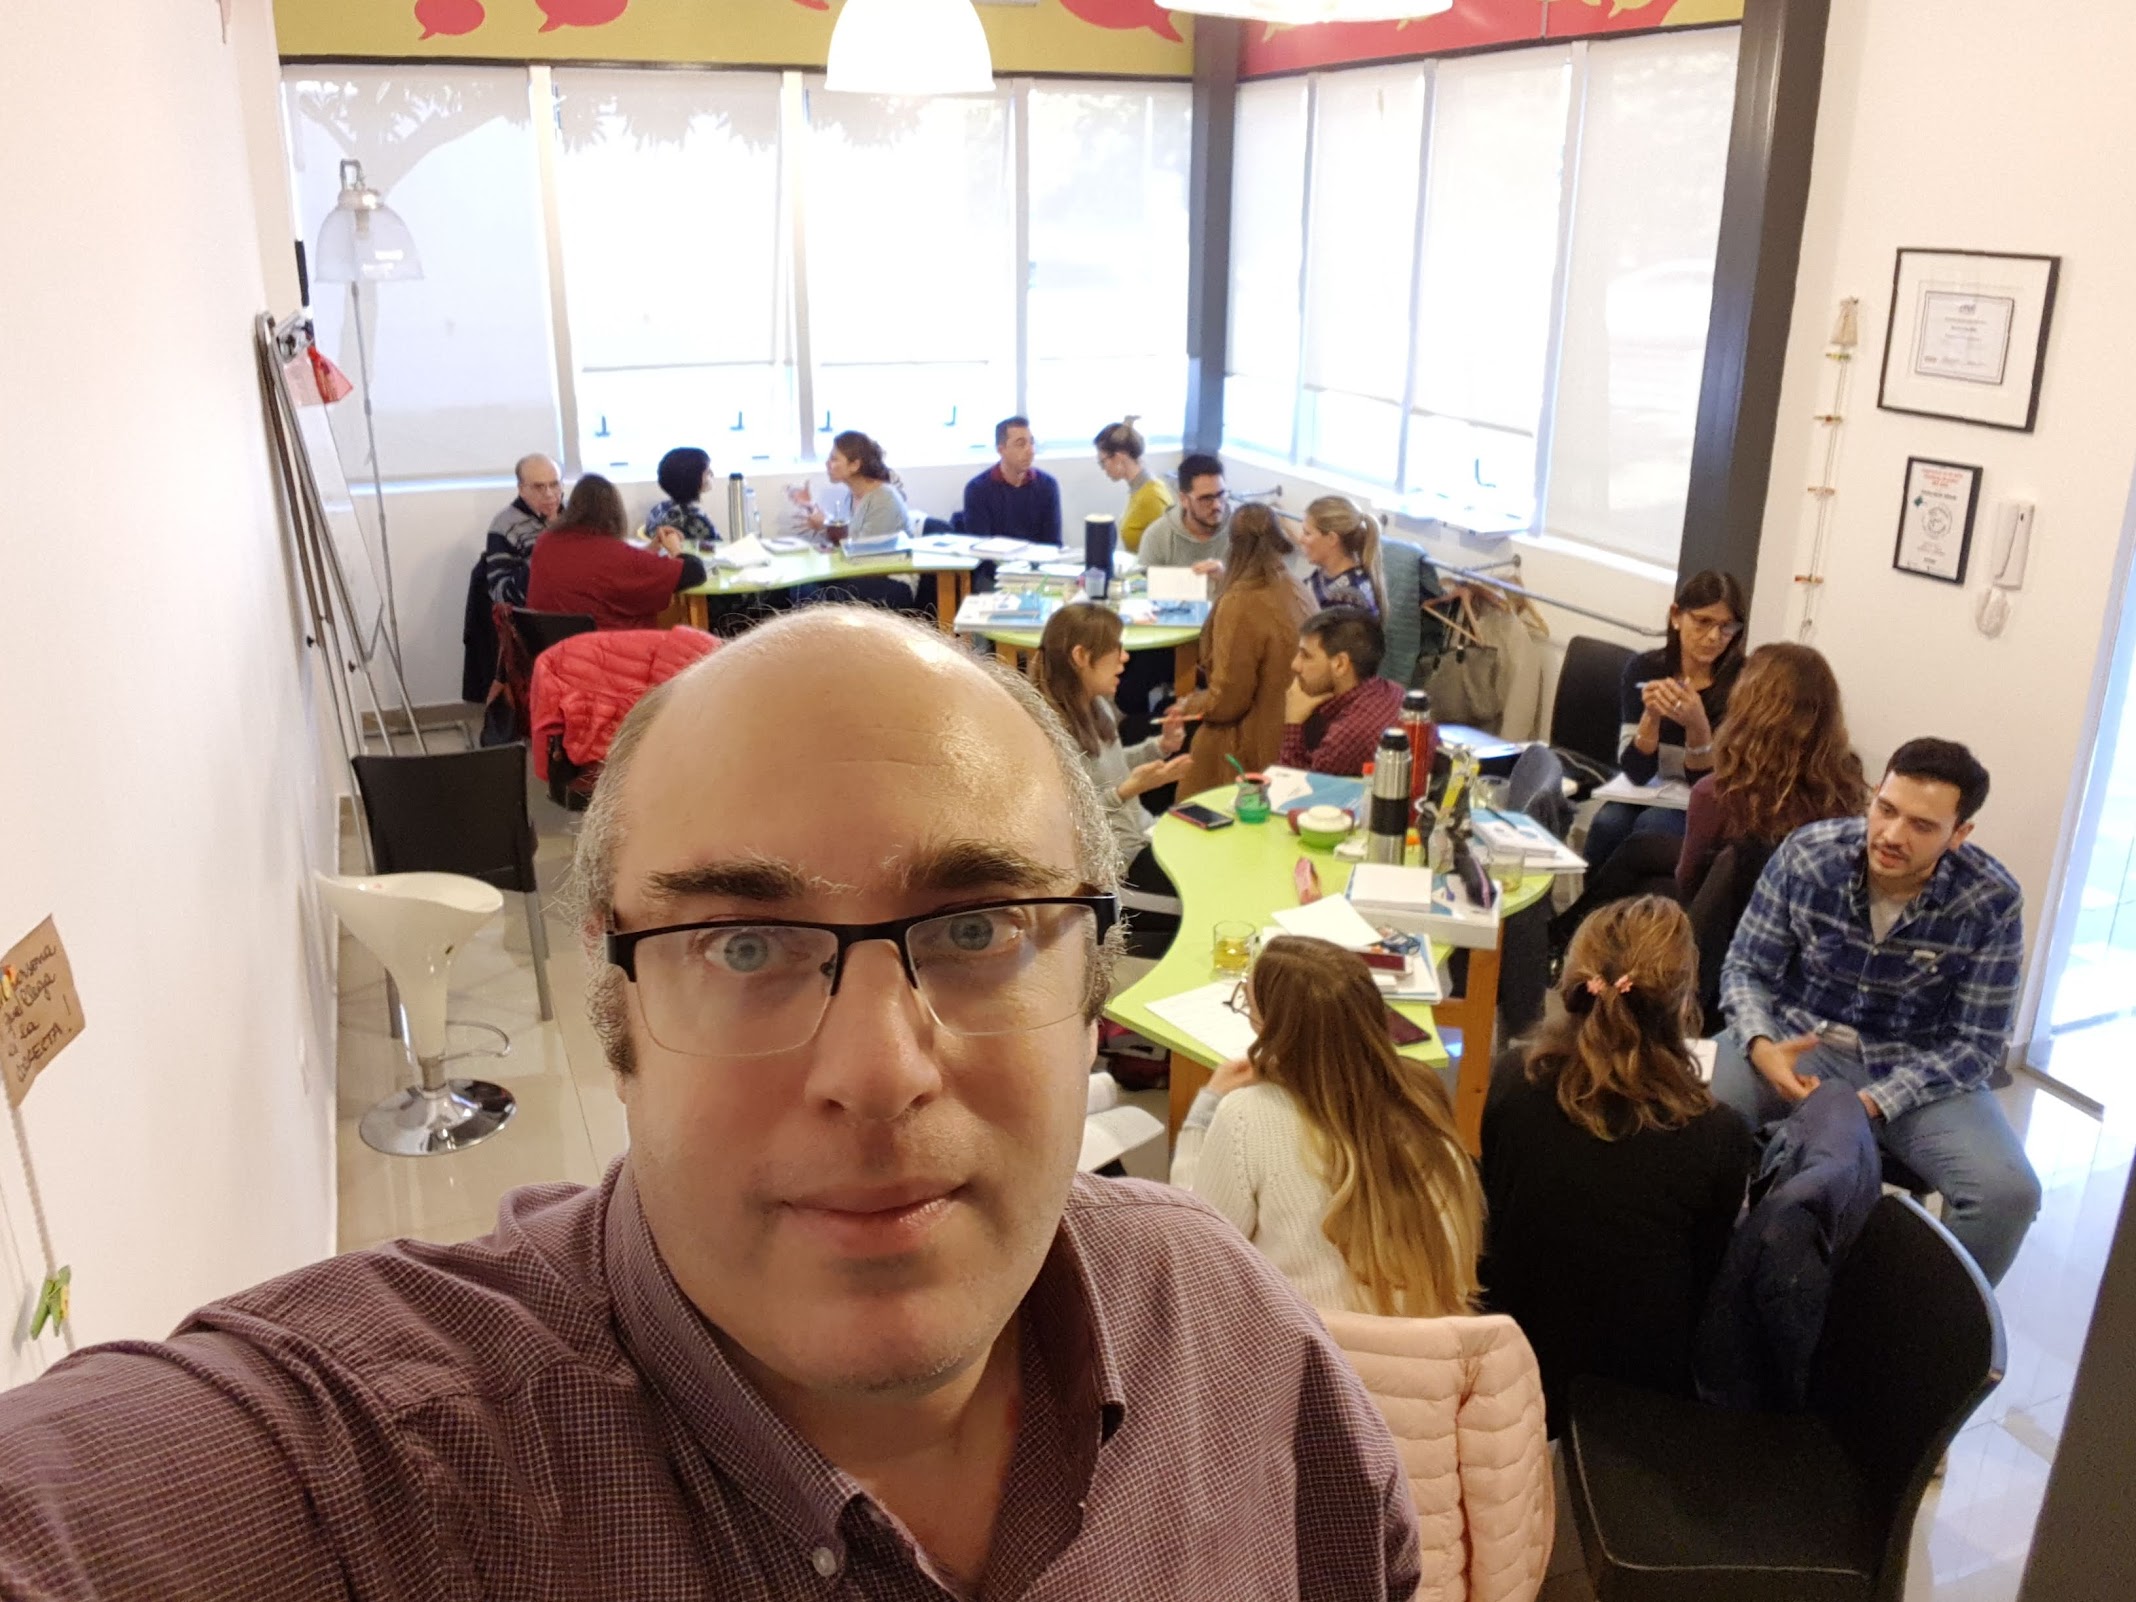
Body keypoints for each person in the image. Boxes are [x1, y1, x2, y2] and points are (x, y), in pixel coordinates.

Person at [0, 608, 1435, 1596]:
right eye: (743, 944)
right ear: (615, 1003)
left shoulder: (1230, 1337)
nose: (878, 1070)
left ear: (1086, 983)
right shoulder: (384, 1479)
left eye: (978, 925)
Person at [1715, 738, 2042, 1284]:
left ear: (1959, 834)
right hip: (1795, 1040)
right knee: (1685, 1115)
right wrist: (1760, 1044)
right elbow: (1747, 968)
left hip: (1915, 1068)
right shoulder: (1808, 853)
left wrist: (1874, 1102)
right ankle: (1708, 1281)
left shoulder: (1990, 900)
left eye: (1922, 825)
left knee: (2008, 1195)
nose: (1891, 835)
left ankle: (1917, 1323)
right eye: (1885, 809)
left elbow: (1978, 1043)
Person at [1480, 897, 1754, 1435]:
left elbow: (1500, 1209)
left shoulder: (1514, 1079)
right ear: (1683, 1002)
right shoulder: (1719, 1133)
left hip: (1513, 1354)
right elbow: (1706, 1274)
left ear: (1572, 983)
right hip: (1638, 1389)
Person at [1172, 935, 1484, 1318]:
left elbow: (1197, 1248)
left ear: (1275, 1029)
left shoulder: (1246, 1114)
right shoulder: (1421, 1093)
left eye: (1249, 1007)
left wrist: (1203, 1112)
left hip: (1303, 1341)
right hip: (1427, 1340)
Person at [1583, 569, 1748, 869]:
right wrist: (1651, 718)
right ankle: (1597, 900)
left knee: (1653, 826)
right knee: (1608, 825)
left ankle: (1639, 902)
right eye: (1703, 621)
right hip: (1649, 789)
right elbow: (1635, 771)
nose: (1714, 637)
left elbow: (1708, 785)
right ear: (1676, 616)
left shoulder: (1743, 683)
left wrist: (1698, 727)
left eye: (1726, 627)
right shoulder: (1644, 669)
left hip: (1705, 801)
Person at [1678, 641, 1867, 902]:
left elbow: (1688, 885)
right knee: (1641, 848)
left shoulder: (1717, 793)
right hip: (1807, 911)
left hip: (1733, 915)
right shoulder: (1845, 784)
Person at [1032, 601, 1190, 893]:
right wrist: (1127, 791)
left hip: (1141, 834)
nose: (1125, 657)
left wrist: (1160, 747)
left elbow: (1109, 768)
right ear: (1081, 656)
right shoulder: (1050, 731)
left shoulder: (1098, 705)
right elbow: (1073, 821)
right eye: (1116, 648)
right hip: (1120, 863)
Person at [1175, 503, 1312, 798]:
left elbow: (1229, 699)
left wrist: (1190, 705)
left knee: (1189, 748)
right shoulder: (1296, 586)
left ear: (1232, 543)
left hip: (1256, 744)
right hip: (1297, 729)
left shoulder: (1239, 603)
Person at [526, 473, 706, 631]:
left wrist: (649, 550)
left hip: (551, 649)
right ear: (615, 513)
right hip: (607, 650)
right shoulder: (613, 556)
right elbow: (694, 572)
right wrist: (675, 548)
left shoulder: (545, 541)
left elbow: (594, 571)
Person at [797, 430, 921, 609]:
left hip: (890, 582)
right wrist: (815, 513)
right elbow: (851, 541)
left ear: (855, 465)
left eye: (834, 459)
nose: (827, 464)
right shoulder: (854, 496)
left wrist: (825, 525)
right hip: (862, 575)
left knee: (810, 593)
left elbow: (866, 553)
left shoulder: (883, 498)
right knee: (799, 587)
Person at [1277, 606, 1406, 777]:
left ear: (1340, 664)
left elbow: (1293, 786)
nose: (1295, 665)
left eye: (1306, 656)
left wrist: (1293, 722)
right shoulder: (1393, 690)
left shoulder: (1346, 736)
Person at [962, 416, 1061, 546]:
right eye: (1021, 444)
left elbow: (1053, 544)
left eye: (1031, 443)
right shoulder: (978, 489)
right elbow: (980, 547)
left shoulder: (1047, 485)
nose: (1030, 451)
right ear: (1001, 450)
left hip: (1037, 558)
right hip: (995, 557)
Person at [483, 451, 564, 605]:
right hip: (539, 613)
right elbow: (500, 594)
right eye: (539, 487)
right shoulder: (505, 526)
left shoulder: (575, 514)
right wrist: (546, 556)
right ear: (521, 489)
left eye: (554, 484)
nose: (549, 494)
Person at [1137, 452, 1232, 574]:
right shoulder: (1157, 536)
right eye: (1206, 498)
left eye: (1221, 494)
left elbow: (1253, 582)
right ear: (1184, 499)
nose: (1217, 505)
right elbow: (1145, 584)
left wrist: (1224, 577)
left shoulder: (1240, 530)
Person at [1291, 495, 1385, 618]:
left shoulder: (1349, 599)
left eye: (1307, 533)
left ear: (1332, 539)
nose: (1300, 539)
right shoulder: (1326, 573)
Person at [1093, 416, 1174, 555]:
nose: (1103, 468)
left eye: (1102, 462)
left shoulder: (1152, 496)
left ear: (1119, 456)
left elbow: (1169, 553)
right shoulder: (1139, 490)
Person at [643, 445, 720, 550]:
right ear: (692, 478)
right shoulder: (694, 519)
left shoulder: (658, 509)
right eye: (707, 472)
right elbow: (716, 549)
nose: (712, 474)